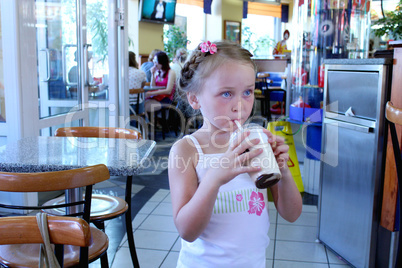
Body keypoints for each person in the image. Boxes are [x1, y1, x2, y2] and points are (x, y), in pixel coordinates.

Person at [168, 41, 302, 267]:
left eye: (248, 92)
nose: (239, 105)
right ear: (194, 98)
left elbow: (291, 214)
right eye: (226, 93)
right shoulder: (187, 150)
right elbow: (187, 230)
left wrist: (283, 171)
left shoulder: (256, 138)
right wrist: (214, 178)